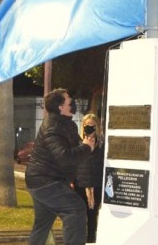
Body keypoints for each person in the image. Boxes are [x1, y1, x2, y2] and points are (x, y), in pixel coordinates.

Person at [25, 88, 95, 245]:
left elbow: (75, 148)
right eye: (69, 101)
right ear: (60, 107)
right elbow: (64, 156)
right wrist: (85, 147)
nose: (73, 103)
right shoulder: (53, 126)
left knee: (42, 224)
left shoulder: (65, 124)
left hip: (45, 180)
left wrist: (87, 143)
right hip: (45, 181)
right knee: (75, 209)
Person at [73, 113, 105, 243]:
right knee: (79, 216)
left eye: (92, 125)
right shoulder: (77, 142)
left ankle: (91, 240)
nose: (89, 128)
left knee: (92, 216)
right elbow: (73, 162)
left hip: (96, 185)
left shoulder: (102, 144)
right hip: (80, 185)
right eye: (86, 125)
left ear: (97, 126)